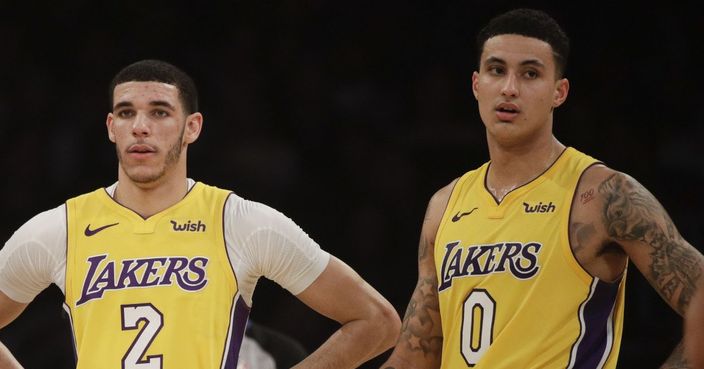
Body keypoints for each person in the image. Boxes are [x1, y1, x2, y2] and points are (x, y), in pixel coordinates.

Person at [0, 59, 401, 369]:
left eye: (159, 112)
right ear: (110, 127)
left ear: (192, 127)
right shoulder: (60, 228)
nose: (140, 127)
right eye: (125, 113)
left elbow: (378, 321)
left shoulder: (239, 222)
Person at [381, 8, 704, 369]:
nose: (509, 88)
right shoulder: (444, 204)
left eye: (530, 74)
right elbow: (413, 356)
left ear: (559, 92)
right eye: (496, 70)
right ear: (476, 84)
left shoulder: (602, 195)